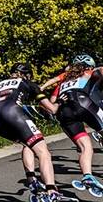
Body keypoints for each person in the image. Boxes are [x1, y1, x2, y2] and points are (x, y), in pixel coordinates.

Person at [0, 62, 72, 202]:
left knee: (28, 143)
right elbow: (51, 109)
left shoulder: (1, 84)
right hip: (13, 113)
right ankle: (52, 191)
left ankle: (32, 180)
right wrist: (59, 101)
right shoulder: (28, 83)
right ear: (25, 74)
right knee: (43, 152)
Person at [40, 54, 103, 191]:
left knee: (85, 147)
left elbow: (52, 101)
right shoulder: (89, 72)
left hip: (63, 112)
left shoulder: (64, 80)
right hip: (83, 103)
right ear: (88, 66)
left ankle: (87, 175)